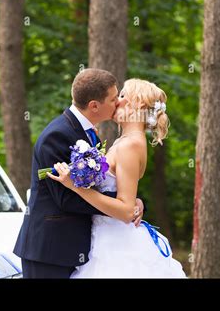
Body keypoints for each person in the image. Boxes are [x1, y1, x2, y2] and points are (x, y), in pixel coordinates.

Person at [13, 69, 145, 278]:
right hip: (50, 250)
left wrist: (129, 201)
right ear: (94, 105)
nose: (118, 103)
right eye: (113, 99)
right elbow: (65, 198)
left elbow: (98, 185)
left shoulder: (89, 134)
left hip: (76, 246)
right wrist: (123, 206)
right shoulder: (57, 135)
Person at [49, 78, 186, 278]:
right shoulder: (126, 141)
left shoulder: (130, 145)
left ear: (137, 104)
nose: (116, 102)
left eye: (122, 96)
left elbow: (125, 210)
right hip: (104, 236)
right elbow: (125, 197)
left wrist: (76, 187)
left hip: (116, 244)